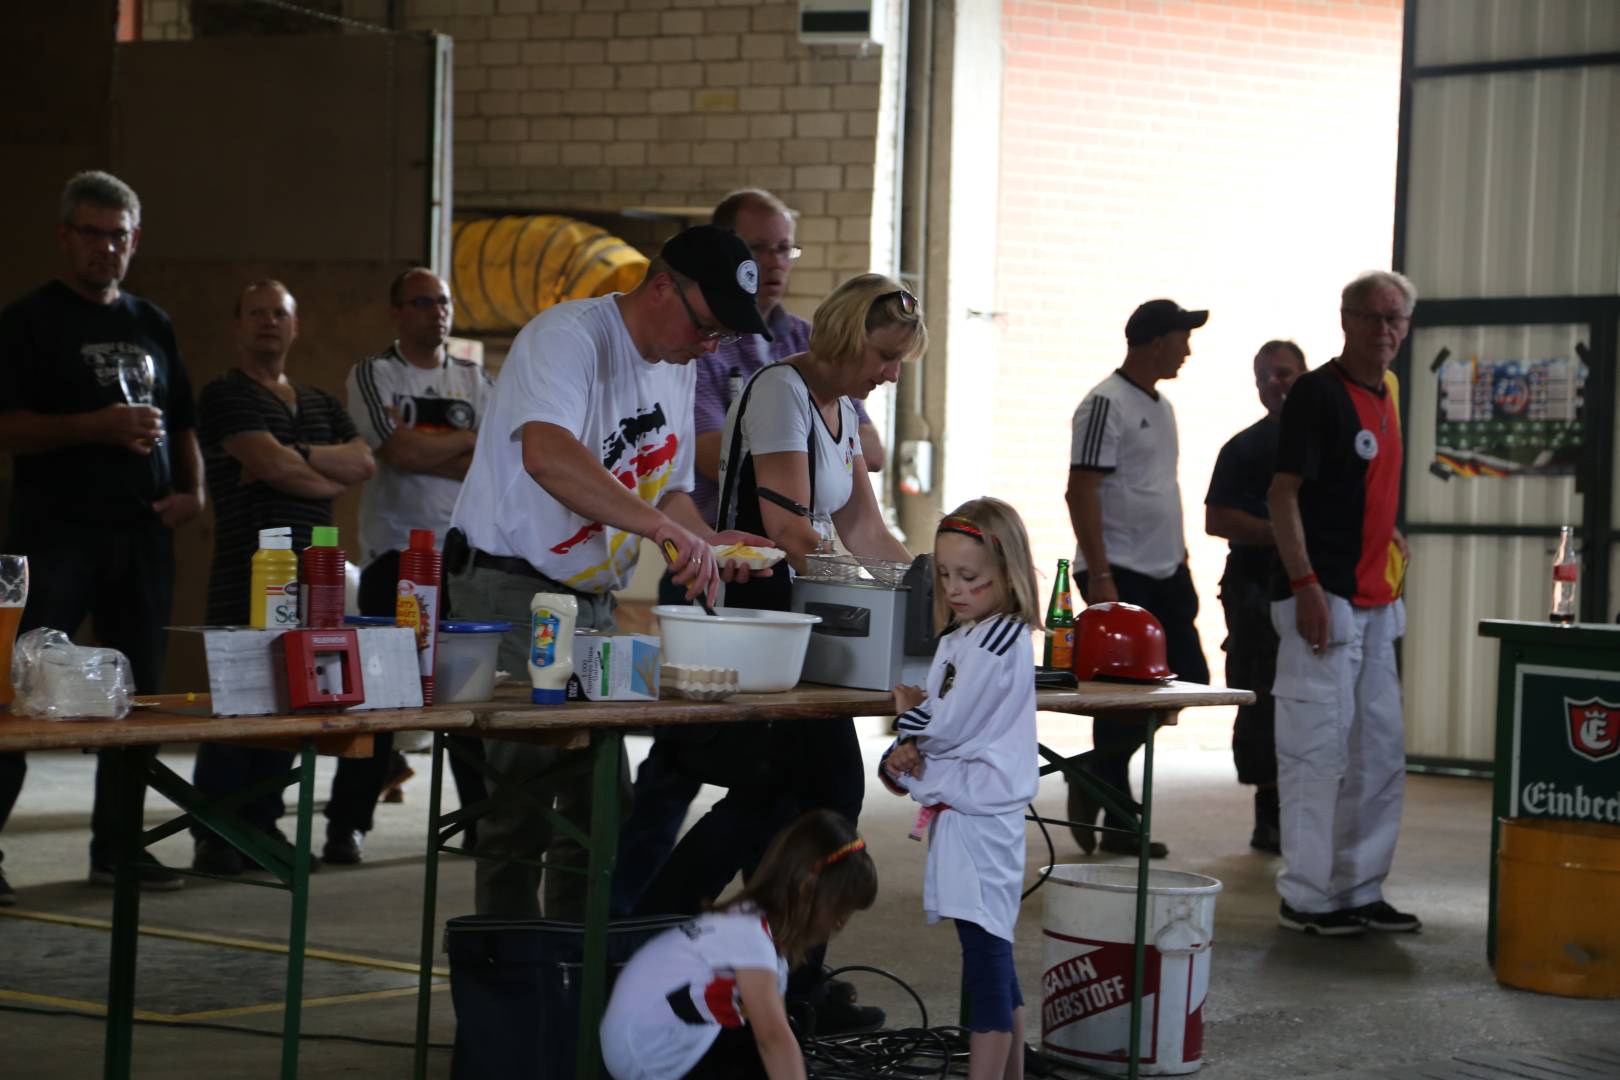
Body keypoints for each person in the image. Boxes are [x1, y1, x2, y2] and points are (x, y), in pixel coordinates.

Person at [445, 224, 772, 920]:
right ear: (661, 288)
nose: (707, 347)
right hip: (513, 582)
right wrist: (659, 527)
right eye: (705, 326)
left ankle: (572, 974)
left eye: (720, 337)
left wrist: (708, 540)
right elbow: (547, 454)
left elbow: (670, 488)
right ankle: (506, 990)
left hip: (586, 599)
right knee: (524, 797)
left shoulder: (678, 366)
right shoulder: (567, 338)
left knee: (599, 806)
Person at [632, 272, 924, 1033]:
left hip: (799, 612)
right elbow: (791, 528)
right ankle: (664, 938)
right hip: (749, 610)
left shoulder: (843, 407)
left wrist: (933, 588)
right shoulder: (778, 393)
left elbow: (866, 530)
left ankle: (787, 975)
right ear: (850, 338)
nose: (891, 376)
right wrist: (882, 590)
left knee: (818, 796)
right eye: (886, 358)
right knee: (778, 797)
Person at [616, 189, 885, 916]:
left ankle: (765, 958)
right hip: (711, 575)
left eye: (785, 248)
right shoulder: (736, 357)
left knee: (794, 788)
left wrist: (911, 585)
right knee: (683, 772)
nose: (774, 263)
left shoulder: (800, 341)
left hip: (787, 597)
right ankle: (634, 925)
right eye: (760, 248)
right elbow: (709, 455)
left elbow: (871, 462)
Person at [0, 170, 203, 899]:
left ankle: (119, 847)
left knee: (135, 697)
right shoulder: (29, 321)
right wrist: (95, 426)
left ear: (135, 241)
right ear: (65, 237)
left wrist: (193, 494)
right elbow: (10, 430)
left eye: (118, 236)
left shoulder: (153, 321)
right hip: (55, 537)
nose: (105, 248)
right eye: (92, 233)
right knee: (21, 690)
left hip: (141, 537)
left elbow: (182, 418)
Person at [191, 279, 375, 874]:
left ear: (295, 326)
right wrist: (304, 467)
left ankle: (263, 828)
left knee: (289, 705)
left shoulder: (319, 401)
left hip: (311, 582)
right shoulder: (225, 394)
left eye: (280, 313)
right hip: (246, 574)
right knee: (238, 709)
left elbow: (364, 462)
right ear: (237, 326)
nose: (268, 322)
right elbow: (272, 465)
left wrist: (294, 460)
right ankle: (217, 837)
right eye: (256, 313)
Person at [323, 268, 493, 866]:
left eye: (443, 302)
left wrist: (435, 453)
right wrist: (462, 446)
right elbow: (393, 452)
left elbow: (495, 460)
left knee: (467, 699)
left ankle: (479, 825)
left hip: (464, 559)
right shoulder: (374, 374)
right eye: (422, 303)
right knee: (381, 700)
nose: (436, 312)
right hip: (394, 555)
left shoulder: (473, 376)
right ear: (397, 312)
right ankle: (346, 826)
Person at [1268, 270, 1419, 937]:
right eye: (1374, 317)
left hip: (1377, 601)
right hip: (1323, 599)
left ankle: (1360, 886)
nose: (1385, 331)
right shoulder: (1317, 394)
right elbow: (1283, 495)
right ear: (1347, 319)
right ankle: (1306, 894)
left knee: (1378, 753)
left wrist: (1388, 535)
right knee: (1316, 751)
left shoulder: (1388, 391)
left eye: (1397, 320)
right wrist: (1304, 586)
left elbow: (1368, 486)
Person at [881, 497, 1041, 1080]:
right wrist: (917, 729)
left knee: (986, 956)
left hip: (981, 816)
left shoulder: (999, 640)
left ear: (1009, 574)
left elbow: (948, 721)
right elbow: (944, 715)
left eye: (970, 577)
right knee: (990, 951)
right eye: (945, 576)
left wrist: (909, 721)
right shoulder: (965, 637)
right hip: (962, 809)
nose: (955, 588)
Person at [1064, 299, 1212, 858]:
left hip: (1166, 570)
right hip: (1119, 573)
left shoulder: (1163, 406)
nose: (1188, 350)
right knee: (1125, 700)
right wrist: (1100, 575)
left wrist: (1178, 559)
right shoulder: (1105, 403)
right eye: (1182, 338)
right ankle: (1122, 823)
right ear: (1154, 342)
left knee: (1188, 679)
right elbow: (1081, 490)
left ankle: (1094, 775)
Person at [600, 809, 877, 1080]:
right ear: (807, 890)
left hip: (663, 1042)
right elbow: (772, 1039)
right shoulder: (749, 938)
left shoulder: (750, 919)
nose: (841, 923)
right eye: (841, 910)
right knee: (772, 1050)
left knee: (773, 1046)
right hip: (652, 1061)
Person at [1205, 341, 1307, 855]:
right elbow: (1217, 519)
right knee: (1260, 697)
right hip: (1253, 589)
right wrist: (1285, 535)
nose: (1275, 383)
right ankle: (1269, 814)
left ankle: (1307, 808)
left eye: (1284, 374)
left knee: (1309, 700)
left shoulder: (1324, 444)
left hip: (1316, 588)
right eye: (1264, 376)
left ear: (1305, 376)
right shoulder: (1244, 448)